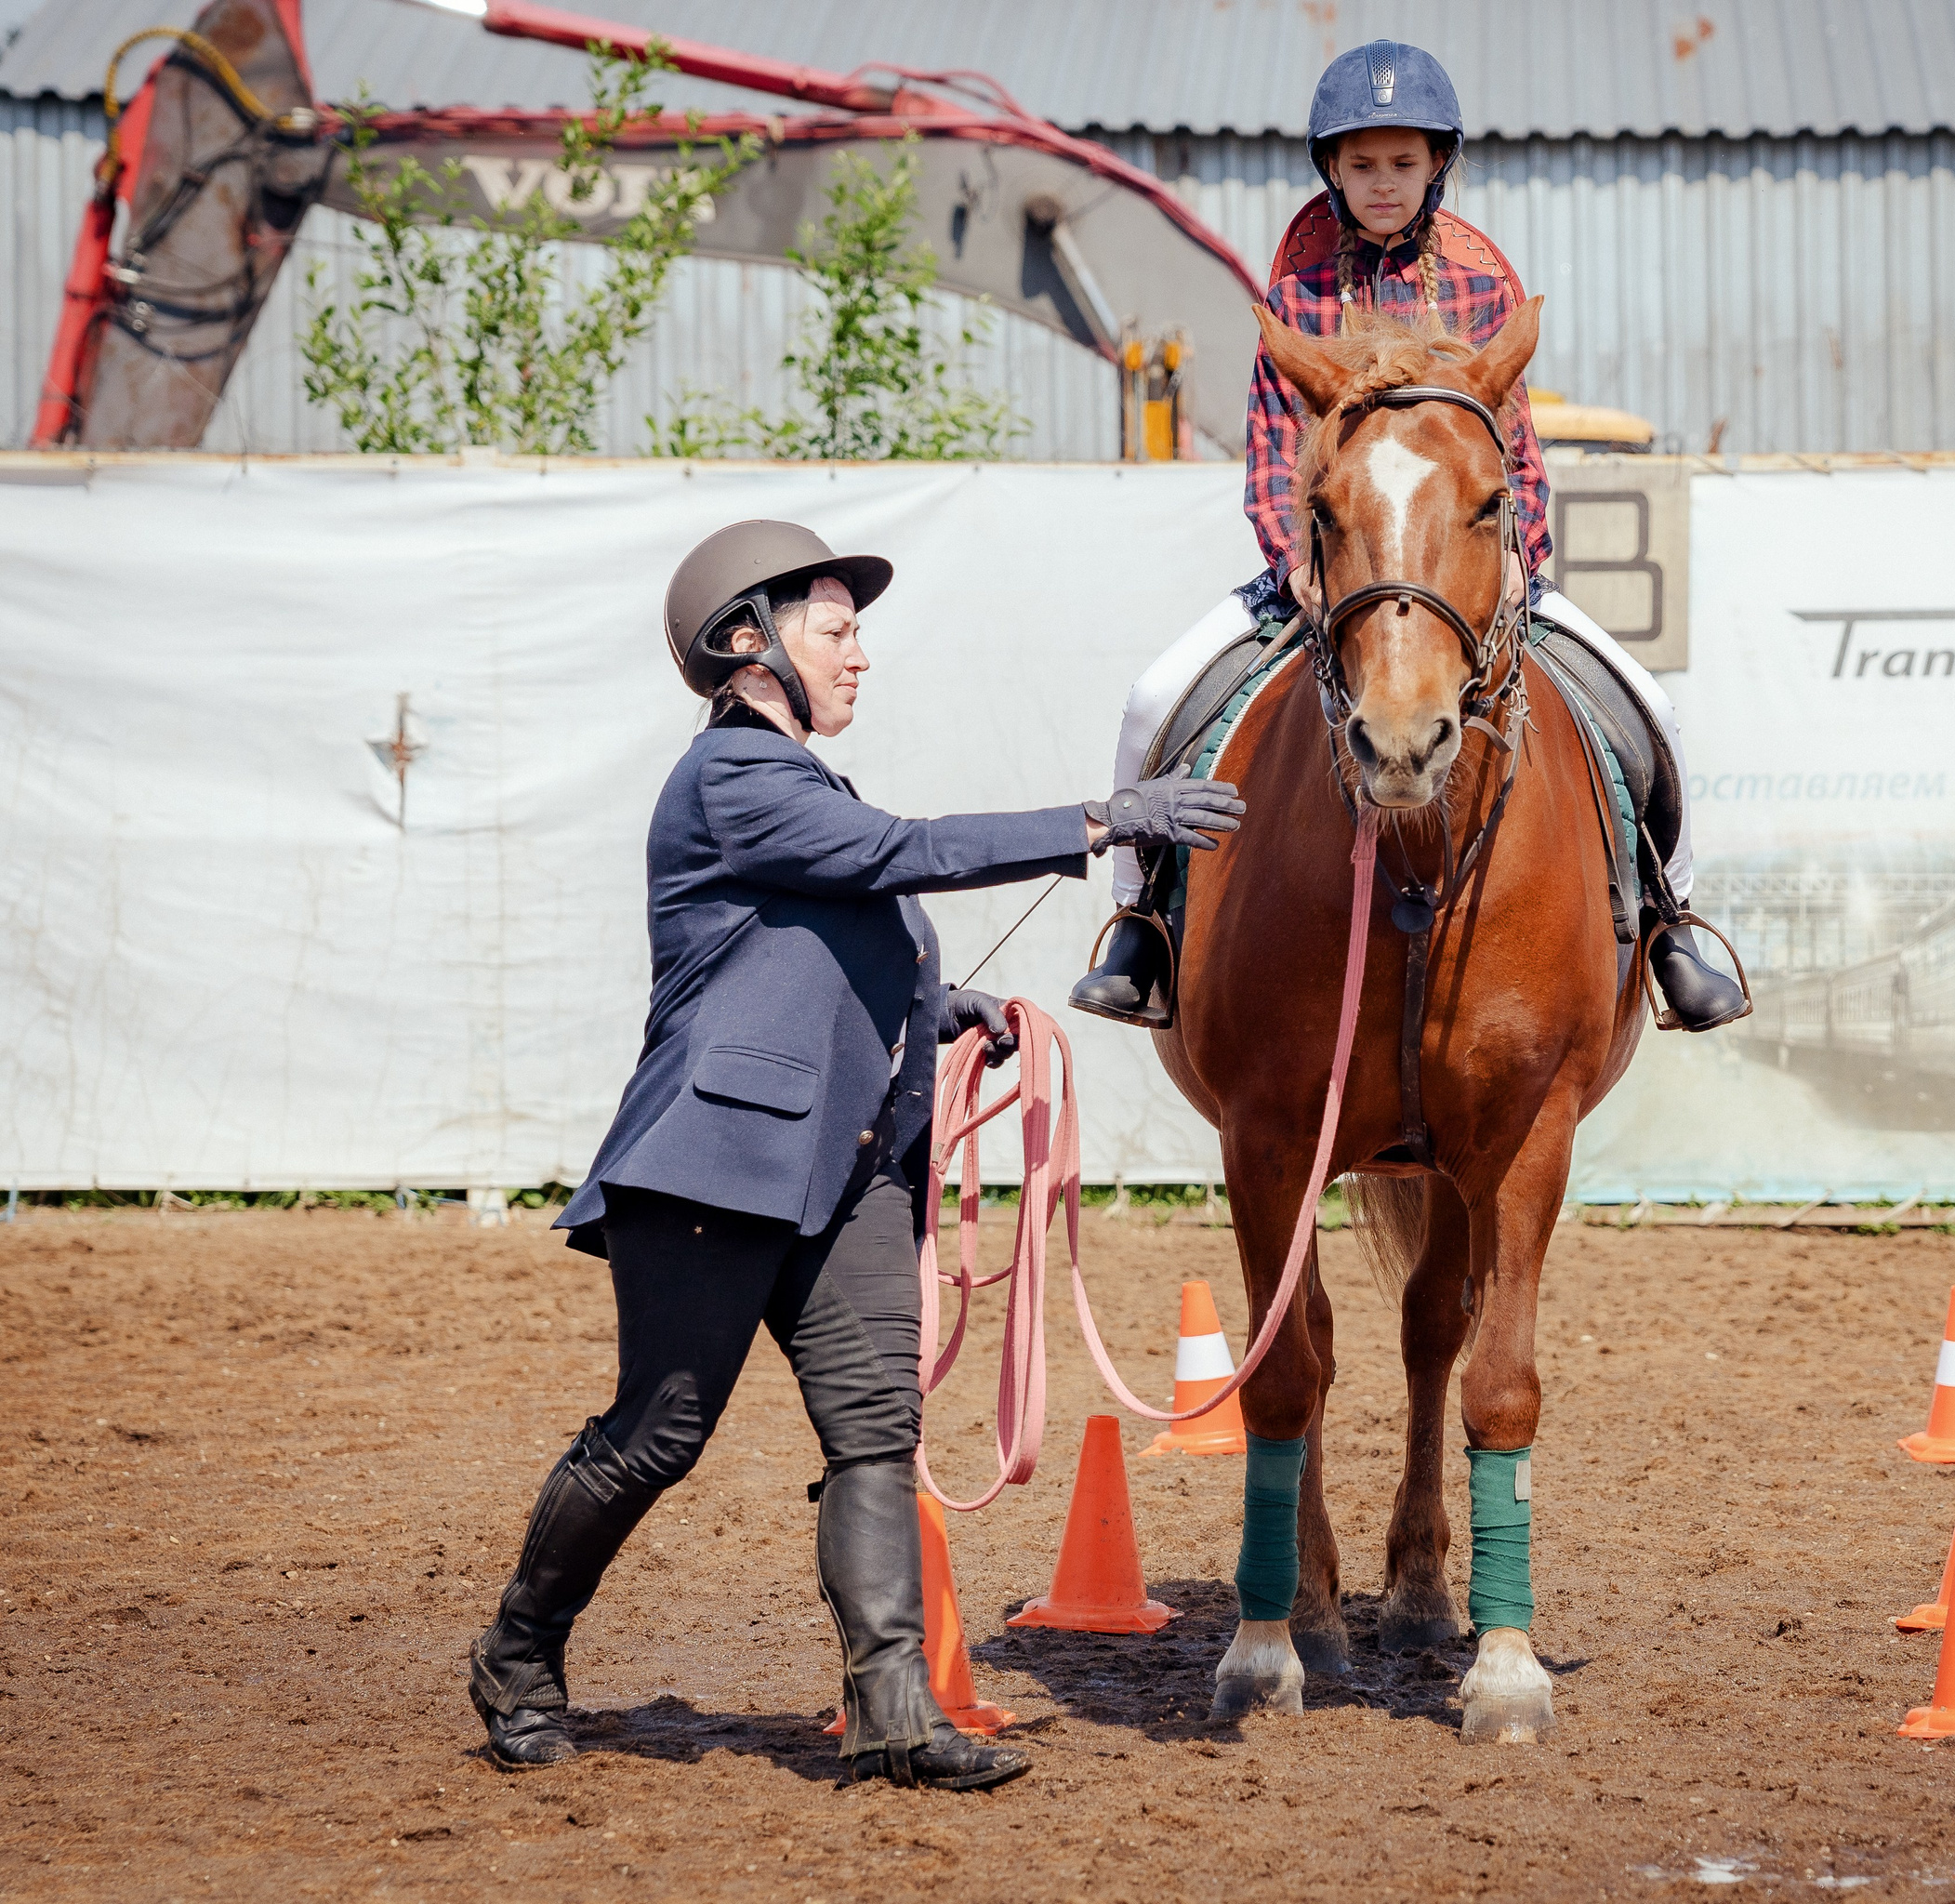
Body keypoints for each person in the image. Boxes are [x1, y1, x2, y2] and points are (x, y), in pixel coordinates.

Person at [468, 521, 1243, 1790]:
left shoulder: (800, 792)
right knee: (657, 1436)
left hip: (852, 1170)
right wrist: (1105, 818)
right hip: (713, 1168)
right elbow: (898, 854)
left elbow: (810, 962)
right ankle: (517, 1654)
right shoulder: (734, 778)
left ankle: (891, 1712)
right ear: (745, 644)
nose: (861, 655)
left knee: (875, 1435)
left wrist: (944, 1014)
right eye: (837, 629)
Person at [1067, 39, 1749, 1035]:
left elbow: (1511, 449)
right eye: (1360, 164)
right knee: (1151, 701)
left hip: (1468, 573)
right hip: (1328, 573)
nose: (1381, 184)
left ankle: (1667, 924)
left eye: (1401, 163)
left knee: (1649, 708)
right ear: (1330, 170)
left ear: (1436, 165)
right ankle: (1141, 927)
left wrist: (1522, 555)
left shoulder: (1481, 281)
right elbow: (1270, 451)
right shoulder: (1293, 285)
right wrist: (1290, 557)